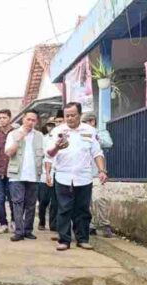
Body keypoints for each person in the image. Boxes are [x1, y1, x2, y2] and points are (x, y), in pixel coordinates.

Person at [47, 103, 108, 251]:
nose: (69, 118)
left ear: (79, 115)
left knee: (82, 209)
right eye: (67, 115)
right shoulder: (57, 131)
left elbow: (97, 153)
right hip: (63, 176)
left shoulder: (90, 131)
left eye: (73, 115)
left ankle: (82, 239)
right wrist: (56, 147)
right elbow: (49, 154)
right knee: (64, 209)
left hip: (84, 177)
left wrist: (102, 171)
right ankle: (64, 240)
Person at [5, 110, 45, 242]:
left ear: (36, 122)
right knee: (17, 203)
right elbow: (9, 153)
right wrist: (18, 140)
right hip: (17, 175)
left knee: (31, 204)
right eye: (28, 119)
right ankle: (19, 231)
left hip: (34, 175)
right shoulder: (13, 134)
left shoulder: (39, 136)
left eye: (33, 120)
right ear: (23, 119)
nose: (30, 122)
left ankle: (28, 230)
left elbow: (45, 155)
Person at [82, 112, 114, 238]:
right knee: (86, 202)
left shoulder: (100, 132)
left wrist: (95, 136)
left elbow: (109, 143)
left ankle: (105, 224)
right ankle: (90, 225)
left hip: (97, 173)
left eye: (87, 122)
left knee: (99, 198)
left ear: (92, 122)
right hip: (83, 173)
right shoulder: (79, 134)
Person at [38, 122, 58, 231]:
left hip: (57, 174)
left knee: (55, 202)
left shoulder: (62, 139)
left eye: (53, 125)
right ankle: (41, 222)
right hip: (44, 174)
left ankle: (53, 224)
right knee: (44, 200)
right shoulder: (43, 139)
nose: (50, 127)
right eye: (49, 125)